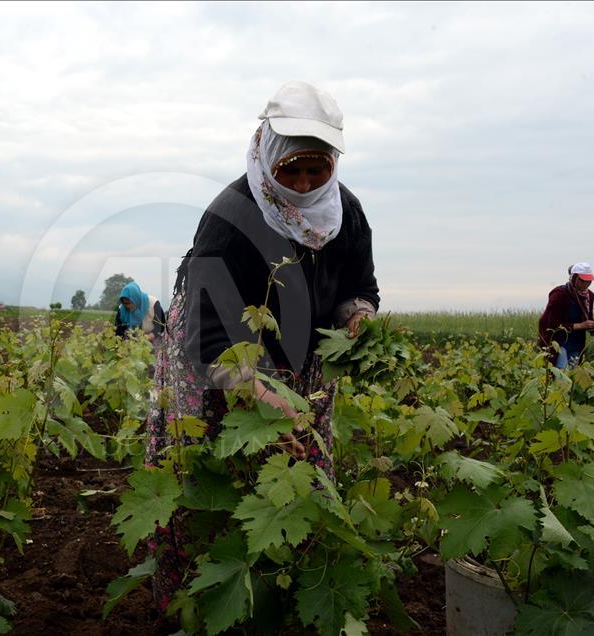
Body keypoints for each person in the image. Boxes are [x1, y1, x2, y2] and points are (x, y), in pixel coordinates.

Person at [144, 80, 380, 609]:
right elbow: (206, 334)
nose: (301, 183)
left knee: (297, 482)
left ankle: (293, 597)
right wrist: (255, 393)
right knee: (208, 485)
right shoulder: (229, 219)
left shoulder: (347, 215)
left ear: (333, 164)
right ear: (267, 155)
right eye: (289, 169)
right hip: (217, 362)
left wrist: (358, 317)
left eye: (315, 169)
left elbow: (360, 288)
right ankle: (200, 607)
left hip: (300, 369)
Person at [538, 262, 594, 368]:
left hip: (576, 343)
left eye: (588, 281)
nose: (585, 284)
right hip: (557, 342)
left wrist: (593, 327)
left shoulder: (589, 296)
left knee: (572, 374)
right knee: (561, 375)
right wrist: (580, 326)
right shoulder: (559, 294)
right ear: (573, 278)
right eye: (582, 280)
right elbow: (553, 325)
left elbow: (587, 318)